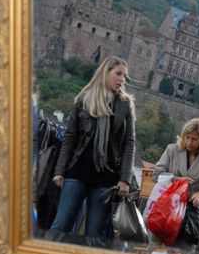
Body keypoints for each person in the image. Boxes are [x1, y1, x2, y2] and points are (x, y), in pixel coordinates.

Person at [47, 56, 136, 241]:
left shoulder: (125, 104)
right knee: (61, 224)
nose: (122, 79)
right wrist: (60, 170)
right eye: (118, 73)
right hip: (78, 170)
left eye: (125, 76)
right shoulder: (84, 100)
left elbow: (129, 143)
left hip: (107, 176)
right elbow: (70, 138)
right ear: (106, 73)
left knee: (94, 234)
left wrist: (125, 179)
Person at [152, 118, 199, 247]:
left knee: (182, 252)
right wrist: (175, 179)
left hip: (189, 212)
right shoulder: (172, 150)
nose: (189, 142)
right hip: (166, 208)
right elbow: (156, 174)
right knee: (157, 248)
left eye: (194, 139)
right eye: (187, 137)